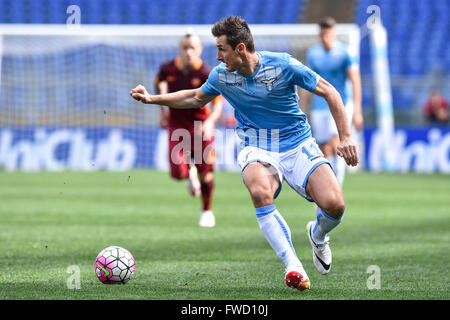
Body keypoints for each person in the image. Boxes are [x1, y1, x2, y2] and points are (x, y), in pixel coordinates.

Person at [131, 16, 359, 291]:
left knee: (335, 205)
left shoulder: (283, 64)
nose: (217, 56)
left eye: (221, 49)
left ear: (240, 48)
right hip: (257, 145)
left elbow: (331, 92)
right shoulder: (221, 75)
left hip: (298, 143)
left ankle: (318, 234)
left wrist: (345, 137)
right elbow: (194, 97)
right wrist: (152, 99)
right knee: (260, 191)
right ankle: (293, 266)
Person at [155, 32, 223, 228]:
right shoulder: (167, 69)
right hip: (176, 126)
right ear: (180, 49)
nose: (189, 52)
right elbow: (159, 82)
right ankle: (188, 175)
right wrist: (162, 112)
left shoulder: (205, 74)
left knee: (206, 174)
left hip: (200, 128)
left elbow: (218, 104)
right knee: (177, 172)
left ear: (200, 50)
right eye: (185, 47)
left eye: (193, 48)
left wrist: (210, 122)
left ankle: (207, 211)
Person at [300, 16, 363, 186]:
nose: (325, 38)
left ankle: (337, 189)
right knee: (324, 148)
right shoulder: (314, 53)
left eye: (328, 34)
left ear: (333, 34)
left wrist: (357, 111)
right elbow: (307, 83)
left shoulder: (346, 52)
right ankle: (328, 186)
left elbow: (355, 81)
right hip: (320, 106)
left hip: (341, 104)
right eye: (322, 35)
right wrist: (303, 108)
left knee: (337, 143)